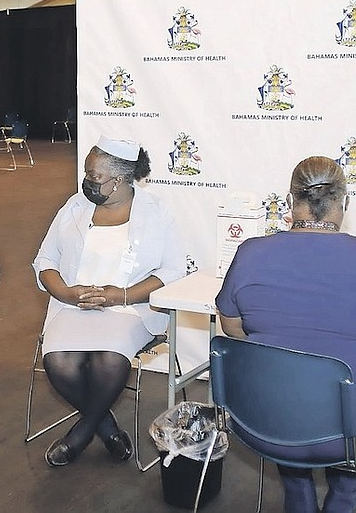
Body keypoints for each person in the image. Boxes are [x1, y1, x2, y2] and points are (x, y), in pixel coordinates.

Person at [32, 135, 185, 467]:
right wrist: (64, 293)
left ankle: (80, 435)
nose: (86, 181)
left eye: (94, 176)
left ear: (119, 180)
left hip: (129, 311)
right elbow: (45, 261)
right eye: (87, 173)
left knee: (110, 362)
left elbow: (174, 270)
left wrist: (122, 295)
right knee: (59, 364)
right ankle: (105, 426)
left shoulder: (156, 211)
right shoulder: (75, 206)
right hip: (72, 307)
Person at [216, 156, 356, 513]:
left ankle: (298, 495)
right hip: (346, 433)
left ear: (291, 201)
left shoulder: (250, 253)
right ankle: (345, 495)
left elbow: (231, 329)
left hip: (264, 421)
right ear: (345, 202)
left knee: (282, 379)